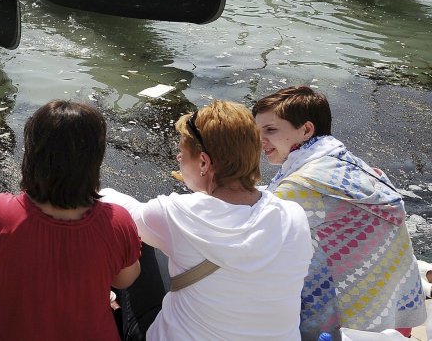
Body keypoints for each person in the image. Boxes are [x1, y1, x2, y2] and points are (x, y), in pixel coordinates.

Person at [102, 100, 313, 341]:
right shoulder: (293, 216)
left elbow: (116, 207)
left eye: (182, 151)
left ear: (204, 162)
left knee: (135, 237)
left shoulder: (176, 214)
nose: (179, 157)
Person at [0, 100, 142, 341]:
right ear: (94, 161)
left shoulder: (1, 213)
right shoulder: (118, 222)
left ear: (33, 155)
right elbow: (125, 278)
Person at [254, 86, 426, 339]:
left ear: (306, 130)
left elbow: (251, 232)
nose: (260, 141)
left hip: (357, 324)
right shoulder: (340, 160)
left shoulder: (302, 184)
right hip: (396, 309)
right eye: (257, 132)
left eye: (270, 130)